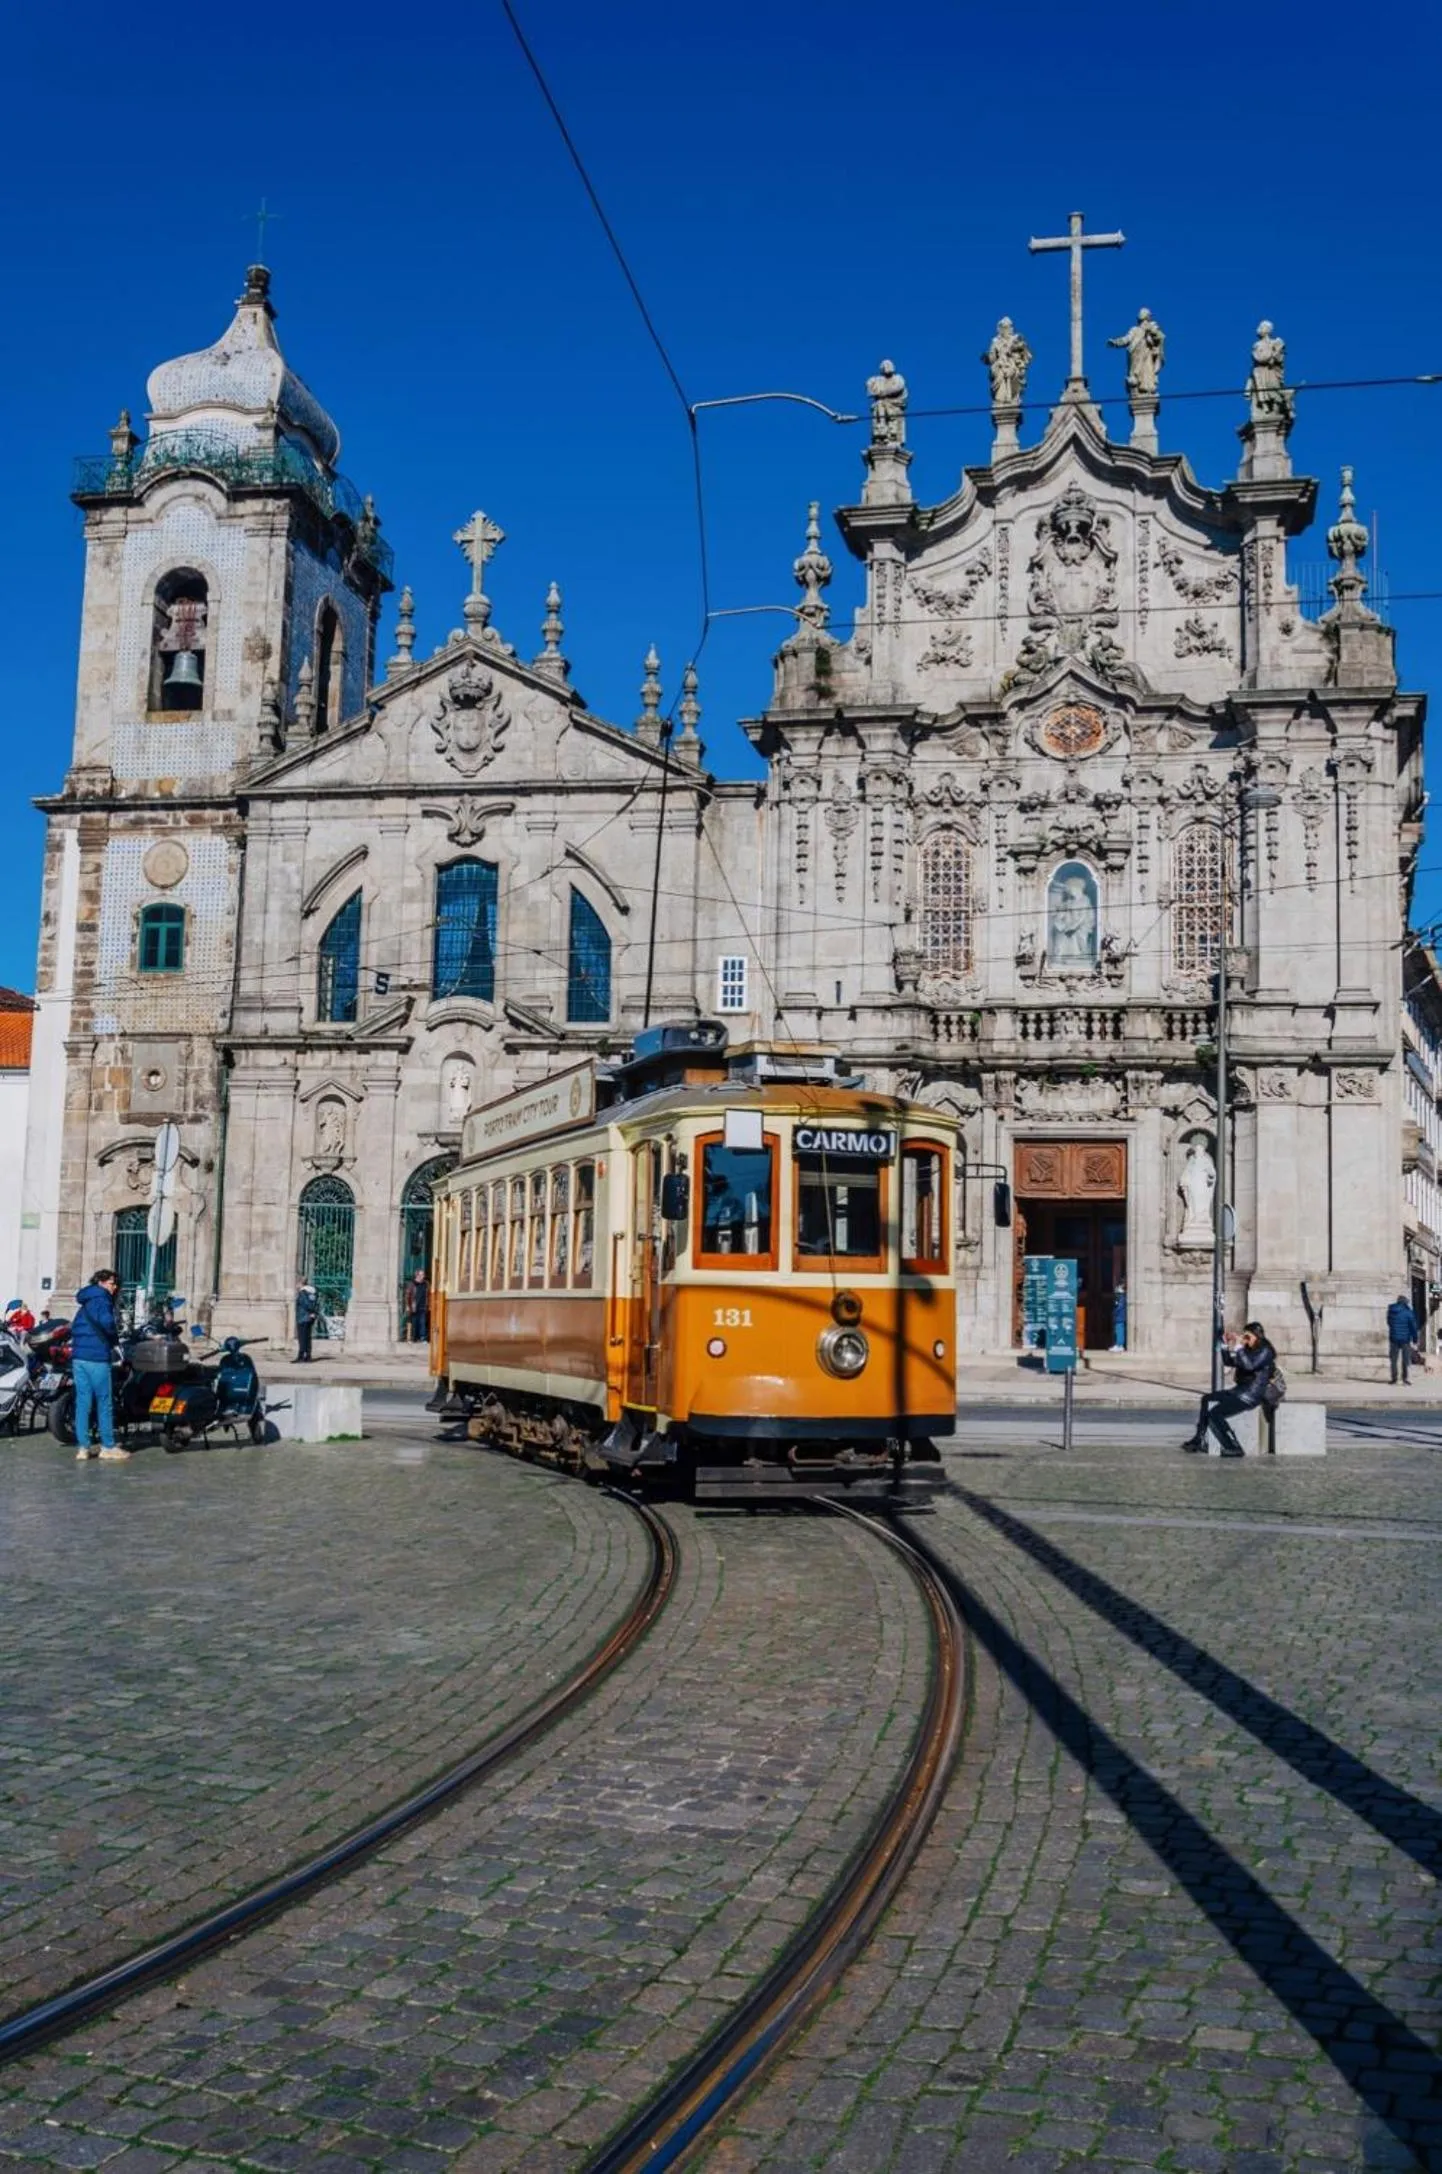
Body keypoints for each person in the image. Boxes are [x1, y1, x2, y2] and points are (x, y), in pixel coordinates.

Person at [1183, 1321, 1276, 1457]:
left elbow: (1249, 1365)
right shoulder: (1249, 1350)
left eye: (1248, 1337)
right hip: (1240, 1391)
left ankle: (1234, 1447)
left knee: (1215, 1414)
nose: (1245, 1340)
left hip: (1250, 1395)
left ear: (1257, 1336)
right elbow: (1229, 1361)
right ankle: (1199, 1439)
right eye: (1244, 1336)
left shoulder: (1265, 1351)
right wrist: (1224, 1344)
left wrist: (1239, 1347)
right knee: (1206, 1399)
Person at [71, 1269, 125, 1462]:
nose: (115, 1286)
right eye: (112, 1282)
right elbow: (107, 1323)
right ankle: (108, 1446)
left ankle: (83, 1448)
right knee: (104, 1402)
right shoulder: (102, 1299)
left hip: (79, 1357)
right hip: (96, 1357)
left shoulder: (85, 1300)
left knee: (83, 1403)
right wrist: (114, 1339)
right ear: (101, 1282)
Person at [1387, 1293, 1420, 1384]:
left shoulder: (1391, 1311)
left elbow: (1389, 1323)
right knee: (1405, 1359)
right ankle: (1404, 1378)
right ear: (1405, 1302)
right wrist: (1415, 1339)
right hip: (1405, 1339)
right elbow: (1413, 1327)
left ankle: (1394, 1379)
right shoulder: (1408, 1312)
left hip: (1393, 1338)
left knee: (1394, 1359)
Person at [295, 1280, 318, 1362]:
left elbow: (306, 1304)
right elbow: (315, 1304)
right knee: (307, 1338)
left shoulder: (303, 1293)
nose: (296, 1285)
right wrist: (314, 1312)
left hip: (303, 1317)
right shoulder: (313, 1292)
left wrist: (311, 1311)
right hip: (310, 1318)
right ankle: (308, 1356)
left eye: (297, 1283)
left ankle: (301, 1356)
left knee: (302, 1338)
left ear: (301, 1283)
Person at [406, 1268, 429, 1344]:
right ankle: (413, 1338)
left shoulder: (426, 1284)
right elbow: (407, 1296)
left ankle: (423, 1338)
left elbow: (428, 1295)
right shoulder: (412, 1284)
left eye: (423, 1274)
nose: (423, 1276)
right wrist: (408, 1306)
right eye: (421, 1274)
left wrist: (428, 1305)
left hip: (423, 1306)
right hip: (414, 1307)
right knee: (414, 1323)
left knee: (422, 1323)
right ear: (417, 1275)